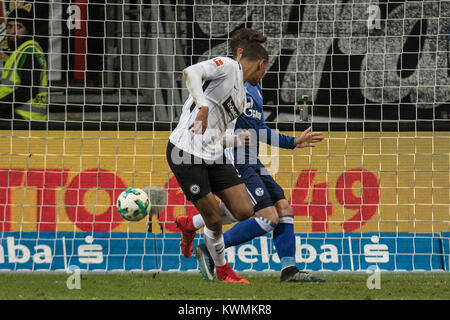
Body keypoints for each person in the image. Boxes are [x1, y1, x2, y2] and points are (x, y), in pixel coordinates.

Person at [175, 28, 325, 282]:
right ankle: (211, 249)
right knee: (267, 217)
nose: (263, 65)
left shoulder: (254, 87)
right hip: (236, 159)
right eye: (260, 56)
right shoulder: (230, 83)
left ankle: (289, 270)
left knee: (282, 208)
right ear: (244, 54)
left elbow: (258, 129)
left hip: (251, 160)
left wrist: (293, 142)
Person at [167, 40, 270, 283]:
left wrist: (237, 140)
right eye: (266, 69)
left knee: (245, 209)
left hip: (213, 153)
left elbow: (218, 135)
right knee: (213, 219)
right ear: (261, 63)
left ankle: (189, 224)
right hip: (185, 152)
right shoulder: (227, 66)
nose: (264, 74)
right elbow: (190, 72)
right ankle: (224, 271)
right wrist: (202, 106)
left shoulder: (242, 96)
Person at [0, 8, 48, 120]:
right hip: (16, 114)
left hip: (23, 117)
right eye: (10, 26)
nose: (13, 31)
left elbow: (28, 89)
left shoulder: (30, 50)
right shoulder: (21, 51)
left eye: (18, 27)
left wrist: (1, 105)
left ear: (28, 30)